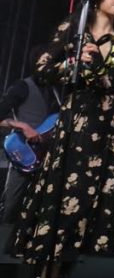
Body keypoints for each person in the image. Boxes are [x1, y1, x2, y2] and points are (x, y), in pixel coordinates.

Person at [12, 0, 114, 278]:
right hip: (75, 128)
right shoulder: (73, 31)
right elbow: (42, 71)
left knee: (96, 210)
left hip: (109, 134)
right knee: (65, 203)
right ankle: (45, 277)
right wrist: (74, 63)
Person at [0, 48, 61, 224]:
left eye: (50, 63)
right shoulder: (22, 86)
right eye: (44, 62)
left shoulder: (55, 90)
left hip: (48, 152)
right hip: (24, 150)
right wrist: (22, 125)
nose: (48, 67)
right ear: (35, 64)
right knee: (12, 205)